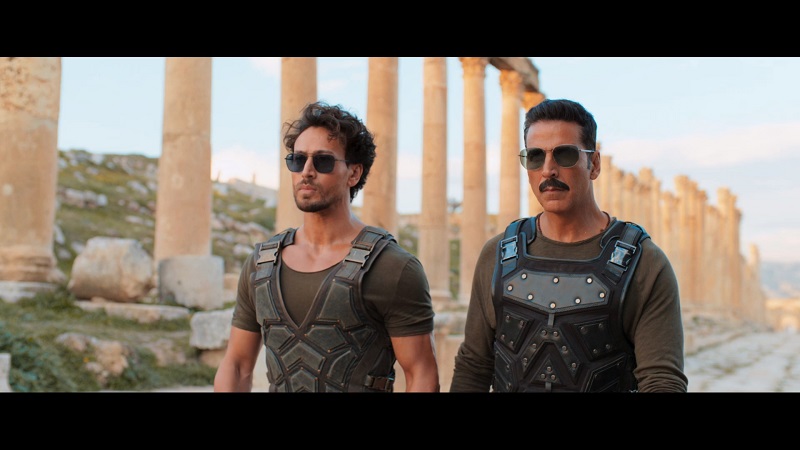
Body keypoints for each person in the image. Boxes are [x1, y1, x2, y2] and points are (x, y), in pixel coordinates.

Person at [449, 99, 688, 393]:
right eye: (535, 157)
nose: (548, 170)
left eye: (564, 155)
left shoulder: (645, 264)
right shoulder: (496, 254)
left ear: (594, 164)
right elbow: (473, 367)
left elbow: (662, 381)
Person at [214, 101, 440, 393]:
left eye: (323, 161)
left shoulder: (393, 267)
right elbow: (237, 366)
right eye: (297, 160)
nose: (306, 171)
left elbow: (422, 374)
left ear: (354, 173)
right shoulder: (261, 265)